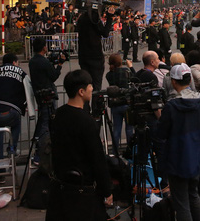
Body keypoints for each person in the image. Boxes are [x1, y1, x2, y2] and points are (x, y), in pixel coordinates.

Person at [48, 70, 113, 221]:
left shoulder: (58, 115)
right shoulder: (86, 121)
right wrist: (106, 190)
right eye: (90, 86)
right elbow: (97, 158)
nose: (92, 89)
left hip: (61, 187)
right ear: (81, 91)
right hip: (83, 189)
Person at [157, 64, 200, 221]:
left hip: (178, 160)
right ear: (189, 80)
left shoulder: (171, 106)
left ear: (174, 82)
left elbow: (161, 133)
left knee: (181, 202)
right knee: (193, 194)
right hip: (197, 158)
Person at [0, 52, 37, 161]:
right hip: (9, 111)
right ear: (14, 62)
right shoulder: (21, 73)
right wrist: (32, 113)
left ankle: (0, 175)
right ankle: (12, 148)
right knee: (16, 123)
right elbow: (29, 91)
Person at [29, 37, 63, 158]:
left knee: (43, 119)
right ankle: (42, 151)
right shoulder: (43, 62)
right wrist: (59, 65)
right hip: (48, 95)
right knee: (47, 122)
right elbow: (53, 76)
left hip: (39, 94)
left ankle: (39, 145)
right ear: (44, 47)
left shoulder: (32, 61)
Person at [77, 0, 114, 91]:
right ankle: (96, 105)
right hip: (95, 57)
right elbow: (105, 33)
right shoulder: (95, 19)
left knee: (85, 85)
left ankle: (85, 105)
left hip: (83, 56)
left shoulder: (81, 19)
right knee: (96, 87)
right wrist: (109, 17)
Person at [105, 54, 135, 155]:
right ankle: (130, 150)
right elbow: (134, 78)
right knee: (129, 128)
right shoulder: (126, 71)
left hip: (115, 103)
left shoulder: (109, 75)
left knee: (116, 128)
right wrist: (130, 66)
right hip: (126, 102)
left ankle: (115, 152)